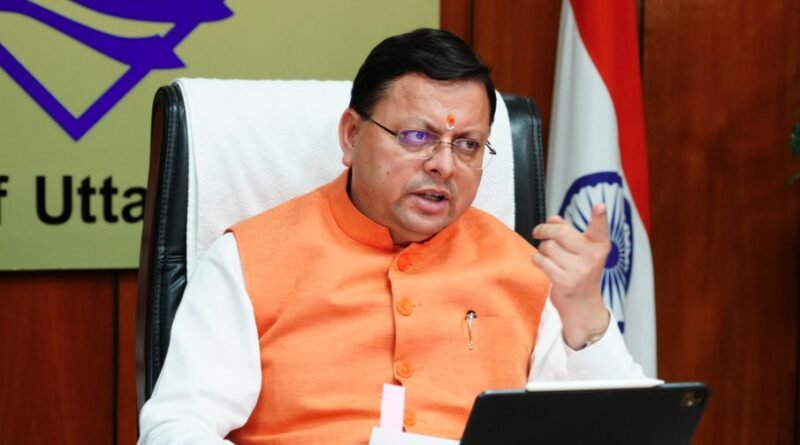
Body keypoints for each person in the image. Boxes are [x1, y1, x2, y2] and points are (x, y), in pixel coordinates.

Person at [138, 28, 645, 445]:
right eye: (417, 136)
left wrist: (584, 310)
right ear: (351, 136)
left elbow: (623, 429)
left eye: (467, 145)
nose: (444, 165)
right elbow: (175, 427)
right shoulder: (251, 259)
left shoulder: (526, 269)